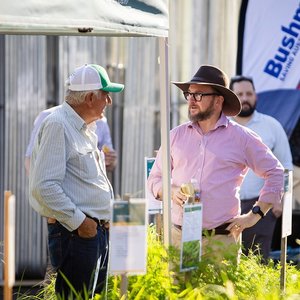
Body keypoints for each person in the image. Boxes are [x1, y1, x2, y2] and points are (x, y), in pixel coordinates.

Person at [147, 65, 284, 262]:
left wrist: (254, 215)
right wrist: (171, 191)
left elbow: (275, 171)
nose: (192, 100)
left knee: (220, 293)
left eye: (199, 94)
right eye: (189, 94)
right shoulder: (175, 136)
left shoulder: (242, 138)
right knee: (180, 293)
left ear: (219, 100)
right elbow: (155, 180)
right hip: (180, 237)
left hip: (221, 242)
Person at [28, 64, 124, 298]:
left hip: (90, 233)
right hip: (77, 234)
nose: (109, 102)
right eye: (106, 95)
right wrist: (82, 223)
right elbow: (44, 186)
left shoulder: (84, 127)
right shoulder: (58, 124)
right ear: (90, 97)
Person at [229, 75, 293, 261]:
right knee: (227, 259)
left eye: (249, 93)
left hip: (262, 205)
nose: (245, 98)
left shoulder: (271, 126)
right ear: (232, 96)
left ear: (256, 96)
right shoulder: (222, 127)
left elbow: (286, 167)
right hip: (227, 206)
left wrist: (280, 201)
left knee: (259, 259)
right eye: (239, 93)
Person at [25, 107, 117, 175]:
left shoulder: (101, 122)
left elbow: (109, 163)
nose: (108, 101)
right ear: (89, 97)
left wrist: (111, 161)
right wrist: (40, 191)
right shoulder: (48, 117)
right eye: (103, 94)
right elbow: (30, 158)